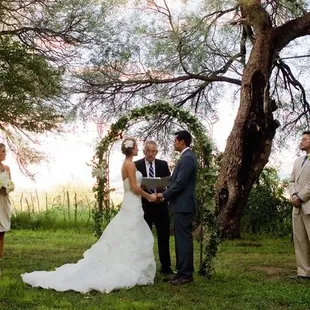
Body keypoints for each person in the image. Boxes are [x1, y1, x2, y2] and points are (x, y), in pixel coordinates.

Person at [21, 138, 158, 293]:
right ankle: (127, 266)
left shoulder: (124, 164)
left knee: (129, 235)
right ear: (132, 149)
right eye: (137, 147)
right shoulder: (131, 165)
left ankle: (131, 264)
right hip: (132, 203)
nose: (138, 149)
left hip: (130, 203)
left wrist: (144, 188)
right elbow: (134, 187)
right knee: (131, 234)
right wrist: (149, 196)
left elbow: (132, 185)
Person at [157, 130, 197, 285]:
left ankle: (186, 274)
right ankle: (181, 272)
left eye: (175, 141)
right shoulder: (186, 157)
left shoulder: (188, 158)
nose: (174, 143)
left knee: (183, 240)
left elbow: (180, 183)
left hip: (184, 206)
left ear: (182, 142)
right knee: (180, 240)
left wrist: (164, 195)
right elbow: (175, 181)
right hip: (180, 205)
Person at [135, 140, 173, 275]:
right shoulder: (136, 165)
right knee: (144, 238)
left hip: (160, 205)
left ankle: (166, 267)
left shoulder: (163, 164)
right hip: (144, 207)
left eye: (153, 151)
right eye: (148, 151)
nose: (151, 154)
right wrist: (144, 189)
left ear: (156, 152)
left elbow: (169, 183)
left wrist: (162, 189)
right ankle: (143, 267)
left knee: (163, 238)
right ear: (144, 151)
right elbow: (134, 186)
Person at [289, 130, 310, 279]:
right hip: (297, 208)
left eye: (305, 139)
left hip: (308, 204)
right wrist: (293, 195)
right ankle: (304, 272)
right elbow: (291, 181)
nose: (301, 141)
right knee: (300, 240)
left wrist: (301, 197)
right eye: (301, 139)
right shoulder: (297, 161)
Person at [0, 143, 13, 276]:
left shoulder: (7, 168)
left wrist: (7, 187)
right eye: (3, 151)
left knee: (2, 232)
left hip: (3, 201)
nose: (5, 154)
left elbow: (10, 184)